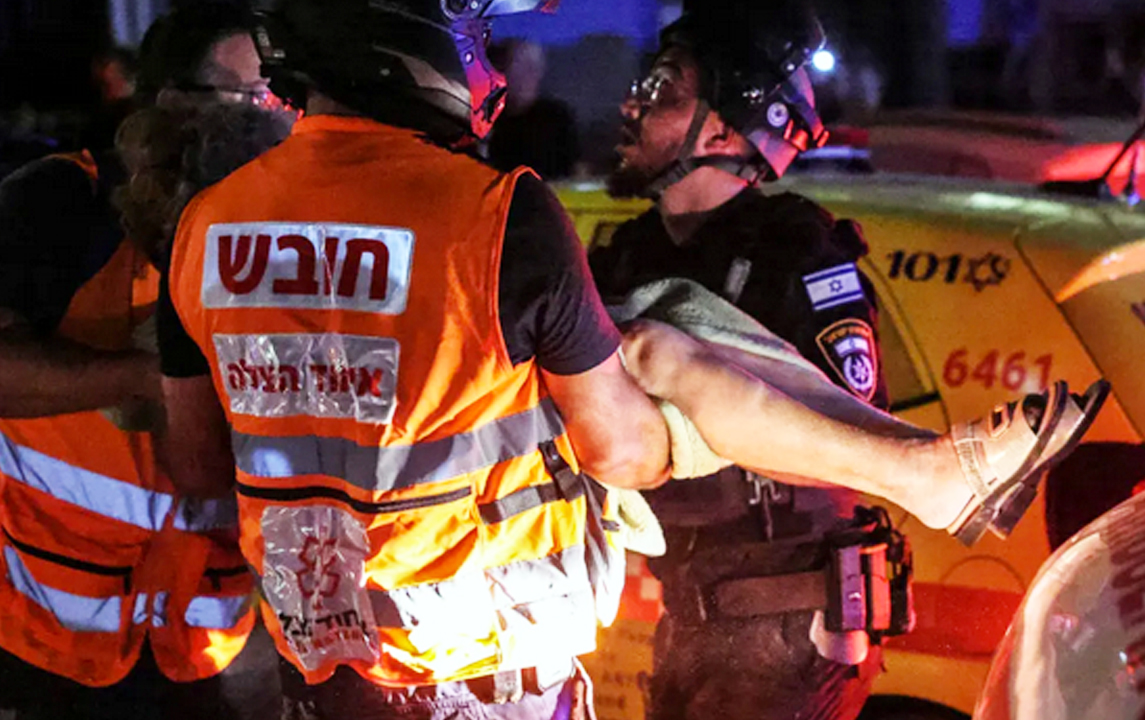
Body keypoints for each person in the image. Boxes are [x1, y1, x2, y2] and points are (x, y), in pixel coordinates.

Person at [157, 1, 672, 719]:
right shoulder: (501, 213)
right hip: (483, 678)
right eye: (472, 33)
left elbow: (201, 466)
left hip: (319, 683)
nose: (481, 59)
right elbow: (624, 454)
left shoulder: (205, 223)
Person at [585, 4, 1015, 718]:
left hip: (785, 625)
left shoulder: (799, 254)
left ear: (722, 127)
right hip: (696, 615)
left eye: (663, 90)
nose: (632, 103)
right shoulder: (630, 258)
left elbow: (840, 438)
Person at [0, 4, 285, 720]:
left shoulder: (280, 234)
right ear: (170, 100)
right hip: (41, 642)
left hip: (206, 647)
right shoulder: (60, 202)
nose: (273, 123)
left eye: (284, 100)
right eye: (252, 100)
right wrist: (142, 377)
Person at [486, 40, 581, 180]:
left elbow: (573, 171)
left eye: (531, 68)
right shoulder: (488, 119)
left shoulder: (558, 118)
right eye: (519, 68)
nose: (526, 75)